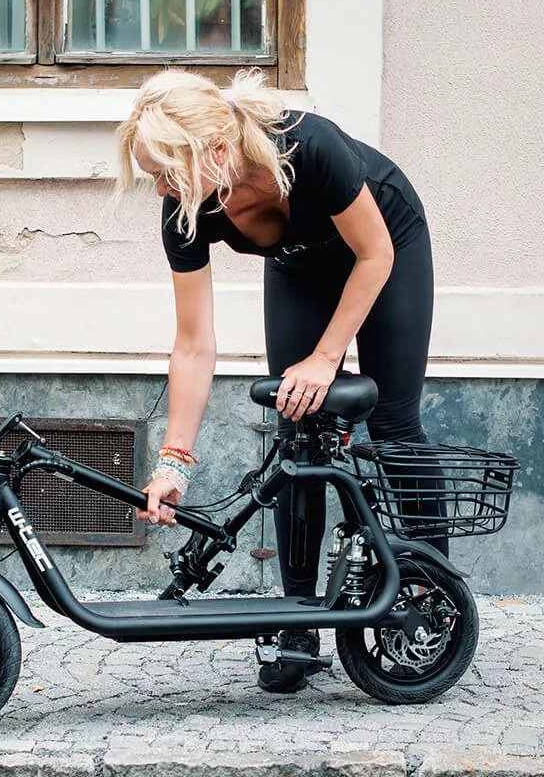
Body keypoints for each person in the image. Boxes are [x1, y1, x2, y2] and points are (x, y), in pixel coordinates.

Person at [116, 68, 444, 694]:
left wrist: (326, 356)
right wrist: (174, 463)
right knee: (297, 432)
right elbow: (193, 343)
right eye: (152, 175)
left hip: (384, 244)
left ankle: (432, 603)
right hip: (299, 264)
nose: (159, 187)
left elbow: (374, 254)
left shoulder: (309, 146)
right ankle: (299, 625)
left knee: (394, 422)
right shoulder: (185, 210)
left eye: (166, 171)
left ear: (215, 150)